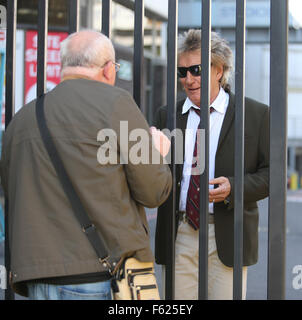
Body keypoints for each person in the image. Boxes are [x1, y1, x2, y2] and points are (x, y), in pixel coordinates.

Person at [0, 30, 172, 300]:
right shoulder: (116, 104)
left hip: (35, 277)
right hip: (95, 276)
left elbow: (13, 195)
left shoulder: (21, 121)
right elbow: (153, 192)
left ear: (64, 67)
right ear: (107, 70)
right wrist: (159, 154)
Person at [154, 29, 269, 300]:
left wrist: (235, 187)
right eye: (182, 72)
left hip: (228, 234)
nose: (189, 79)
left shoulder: (255, 115)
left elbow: (272, 173)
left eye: (196, 70)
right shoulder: (166, 116)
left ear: (219, 70)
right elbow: (156, 176)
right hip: (179, 233)